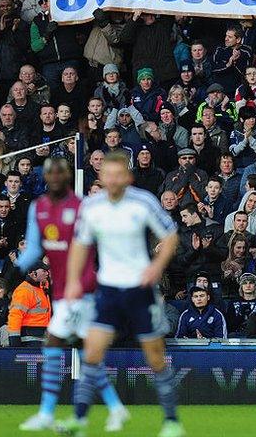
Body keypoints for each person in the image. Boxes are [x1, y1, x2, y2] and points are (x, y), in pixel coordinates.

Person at [60, 153, 185, 437]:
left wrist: (156, 267)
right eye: (108, 174)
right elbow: (80, 244)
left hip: (140, 290)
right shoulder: (91, 207)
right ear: (101, 177)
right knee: (91, 353)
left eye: (119, 174)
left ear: (128, 177)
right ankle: (78, 420)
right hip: (108, 290)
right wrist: (72, 282)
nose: (113, 179)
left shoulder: (143, 202)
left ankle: (171, 421)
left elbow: (170, 236)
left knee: (155, 357)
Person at [15, 159, 127, 432]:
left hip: (82, 290)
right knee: (85, 353)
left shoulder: (83, 209)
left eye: (59, 172)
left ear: (67, 177)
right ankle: (116, 407)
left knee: (53, 343)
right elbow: (32, 251)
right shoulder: (38, 207)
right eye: (50, 173)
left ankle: (46, 412)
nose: (54, 177)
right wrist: (15, 267)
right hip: (62, 291)